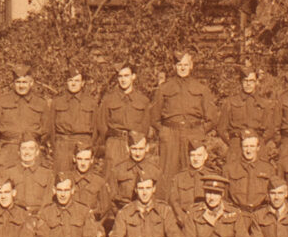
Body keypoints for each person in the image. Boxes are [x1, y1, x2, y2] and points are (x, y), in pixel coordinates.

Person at [149, 51, 216, 189]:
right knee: (168, 172)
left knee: (193, 170)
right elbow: (154, 117)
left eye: (186, 64)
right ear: (174, 66)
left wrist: (200, 131)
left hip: (193, 133)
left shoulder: (201, 89)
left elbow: (212, 117)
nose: (183, 68)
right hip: (170, 134)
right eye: (179, 64)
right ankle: (166, 206)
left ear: (191, 66)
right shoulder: (164, 88)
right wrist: (164, 132)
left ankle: (193, 205)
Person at [0, 63, 49, 169]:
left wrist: (34, 143)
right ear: (13, 83)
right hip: (8, 150)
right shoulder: (3, 101)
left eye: (24, 82)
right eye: (18, 82)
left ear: (31, 83)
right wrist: (6, 139)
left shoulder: (41, 103)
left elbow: (47, 129)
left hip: (31, 150)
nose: (21, 86)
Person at [95, 62, 151, 173]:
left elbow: (145, 126)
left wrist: (137, 144)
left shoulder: (143, 100)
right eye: (120, 76)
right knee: (111, 177)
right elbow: (102, 124)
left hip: (134, 145)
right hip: (114, 143)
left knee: (133, 177)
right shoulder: (109, 100)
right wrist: (110, 143)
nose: (123, 79)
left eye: (126, 76)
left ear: (133, 76)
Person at [217, 64, 274, 166]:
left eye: (251, 81)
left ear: (256, 82)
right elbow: (221, 128)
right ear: (241, 82)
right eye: (245, 81)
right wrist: (232, 143)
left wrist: (258, 142)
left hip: (257, 146)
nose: (248, 84)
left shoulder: (264, 104)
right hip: (236, 146)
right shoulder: (230, 102)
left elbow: (270, 129)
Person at [49, 66, 98, 173]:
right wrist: (56, 147)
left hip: (84, 144)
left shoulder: (91, 102)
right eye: (70, 80)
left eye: (77, 80)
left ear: (83, 83)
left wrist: (89, 147)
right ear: (66, 82)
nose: (73, 83)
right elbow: (51, 128)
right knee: (62, 179)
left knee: (83, 179)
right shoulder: (57, 102)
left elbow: (96, 129)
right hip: (62, 146)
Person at [225, 129, 278, 213]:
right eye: (245, 146)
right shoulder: (229, 168)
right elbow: (224, 197)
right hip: (238, 213)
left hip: (261, 213)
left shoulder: (268, 169)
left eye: (252, 146)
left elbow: (274, 195)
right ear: (241, 148)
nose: (248, 150)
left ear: (258, 148)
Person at [0, 134, 54, 215]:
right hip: (16, 218)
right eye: (24, 148)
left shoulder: (47, 174)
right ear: (19, 152)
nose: (27, 152)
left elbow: (48, 202)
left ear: (37, 152)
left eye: (31, 149)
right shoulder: (9, 173)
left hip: (39, 217)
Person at [107, 130, 161, 211]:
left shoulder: (154, 170)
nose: (137, 153)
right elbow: (111, 198)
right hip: (124, 215)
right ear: (127, 148)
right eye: (134, 149)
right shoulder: (118, 170)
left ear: (147, 148)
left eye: (141, 149)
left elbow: (160, 199)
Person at [169, 139, 217, 226]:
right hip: (184, 222)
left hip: (208, 224)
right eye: (192, 155)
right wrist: (184, 220)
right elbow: (174, 202)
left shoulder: (213, 177)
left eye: (199, 155)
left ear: (205, 156)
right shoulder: (179, 178)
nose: (195, 159)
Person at [71, 145, 113, 227]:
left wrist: (96, 227)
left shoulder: (99, 182)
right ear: (74, 159)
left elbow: (105, 209)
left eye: (86, 159)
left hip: (91, 227)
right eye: (80, 159)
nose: (83, 163)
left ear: (92, 160)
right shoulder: (66, 180)